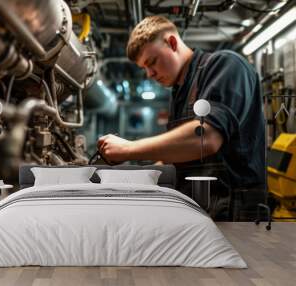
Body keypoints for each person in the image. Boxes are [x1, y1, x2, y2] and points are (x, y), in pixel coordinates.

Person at [97, 16, 265, 219]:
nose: (149, 74)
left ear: (172, 42)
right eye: (144, 68)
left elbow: (205, 138)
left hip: (236, 215)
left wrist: (128, 149)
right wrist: (135, 180)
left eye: (152, 62)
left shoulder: (226, 66)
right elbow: (179, 158)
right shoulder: (180, 93)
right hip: (203, 208)